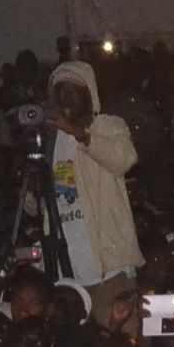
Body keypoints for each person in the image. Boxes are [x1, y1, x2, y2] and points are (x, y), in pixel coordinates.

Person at [40, 60, 142, 300]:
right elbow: (40, 202)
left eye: (73, 92)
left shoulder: (107, 125)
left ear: (89, 95)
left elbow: (124, 160)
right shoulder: (50, 140)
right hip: (68, 270)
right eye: (61, 93)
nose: (66, 99)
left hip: (109, 266)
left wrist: (79, 135)